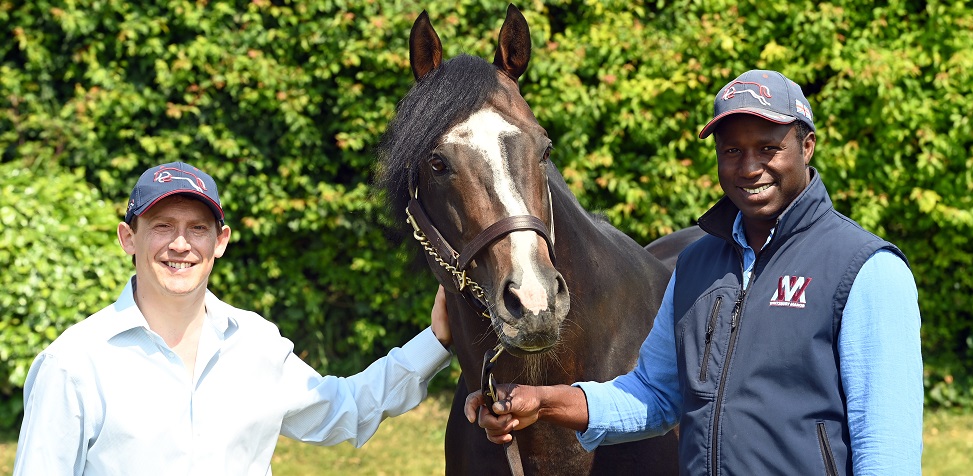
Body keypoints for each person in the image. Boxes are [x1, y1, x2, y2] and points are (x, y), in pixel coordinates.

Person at [464, 70, 923, 475]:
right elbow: (654, 395)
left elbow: (887, 455)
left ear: (806, 147)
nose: (749, 168)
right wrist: (541, 402)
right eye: (731, 150)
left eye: (768, 148)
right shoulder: (697, 266)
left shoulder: (866, 270)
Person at [14, 161, 453, 475]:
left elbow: (346, 409)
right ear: (129, 238)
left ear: (220, 241)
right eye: (162, 226)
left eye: (198, 228)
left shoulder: (256, 344)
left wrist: (436, 341)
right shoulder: (73, 364)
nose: (180, 245)